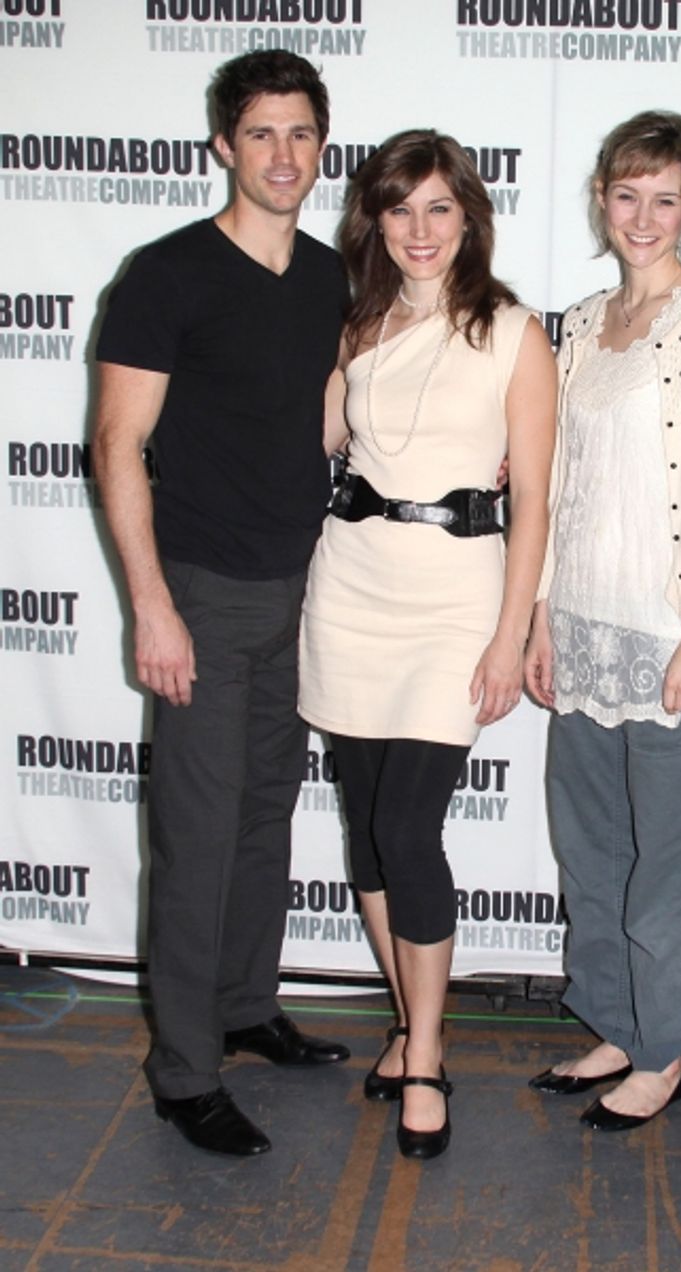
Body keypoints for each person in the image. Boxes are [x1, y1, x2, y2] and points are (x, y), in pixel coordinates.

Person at [93, 50, 351, 1158]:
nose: (283, 155)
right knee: (197, 839)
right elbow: (116, 444)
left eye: (301, 135)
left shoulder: (338, 276)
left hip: (308, 591)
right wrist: (151, 605)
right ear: (223, 147)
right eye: (261, 135)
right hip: (200, 589)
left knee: (262, 819)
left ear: (321, 149)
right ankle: (184, 1070)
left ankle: (246, 1007)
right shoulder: (166, 275)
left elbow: (338, 420)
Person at [298, 129, 556, 1161]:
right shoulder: (356, 324)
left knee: (410, 830)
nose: (418, 229)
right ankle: (405, 1028)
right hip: (351, 581)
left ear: (469, 219)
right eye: (399, 209)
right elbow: (328, 440)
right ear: (376, 220)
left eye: (438, 208)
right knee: (365, 829)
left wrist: (511, 633)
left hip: (455, 597)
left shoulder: (513, 332)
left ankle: (432, 1051)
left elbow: (535, 497)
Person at [524, 111, 681, 1131]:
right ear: (601, 201)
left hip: (670, 638)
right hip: (579, 629)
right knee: (592, 849)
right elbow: (550, 485)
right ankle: (617, 1020)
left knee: (669, 860)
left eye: (665, 198)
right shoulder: (575, 325)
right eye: (627, 195)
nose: (644, 216)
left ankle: (664, 1048)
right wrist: (537, 617)